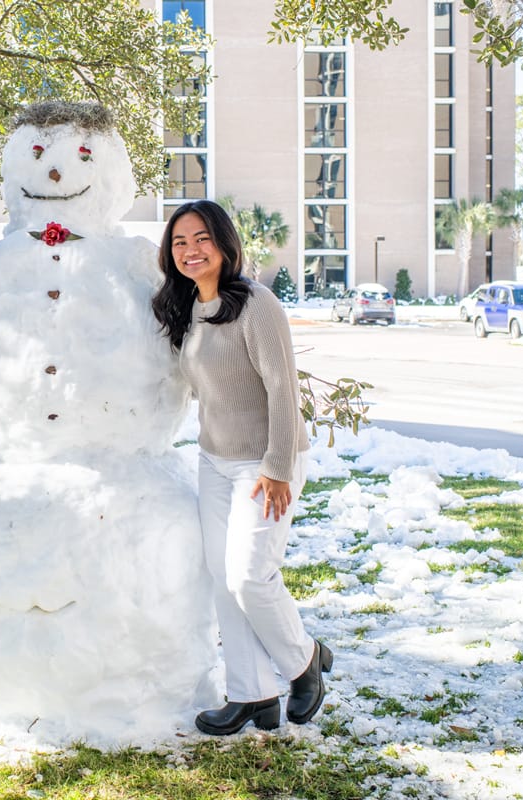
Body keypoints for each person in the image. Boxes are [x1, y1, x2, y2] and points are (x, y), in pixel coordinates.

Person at [151, 199, 331, 736]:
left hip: (265, 461)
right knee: (224, 580)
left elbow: (283, 389)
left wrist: (277, 467)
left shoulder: (257, 303)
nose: (191, 251)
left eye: (201, 238)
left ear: (225, 243)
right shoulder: (186, 306)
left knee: (251, 576)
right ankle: (252, 695)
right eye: (180, 242)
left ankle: (304, 663)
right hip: (215, 459)